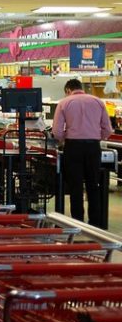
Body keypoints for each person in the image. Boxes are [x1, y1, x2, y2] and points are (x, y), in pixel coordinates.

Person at [52, 78, 113, 227]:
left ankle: (77, 222)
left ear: (68, 90)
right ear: (81, 88)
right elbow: (107, 129)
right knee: (93, 185)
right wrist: (95, 137)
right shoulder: (98, 101)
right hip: (93, 148)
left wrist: (64, 138)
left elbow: (57, 131)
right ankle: (95, 223)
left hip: (73, 148)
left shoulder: (64, 103)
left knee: (76, 187)